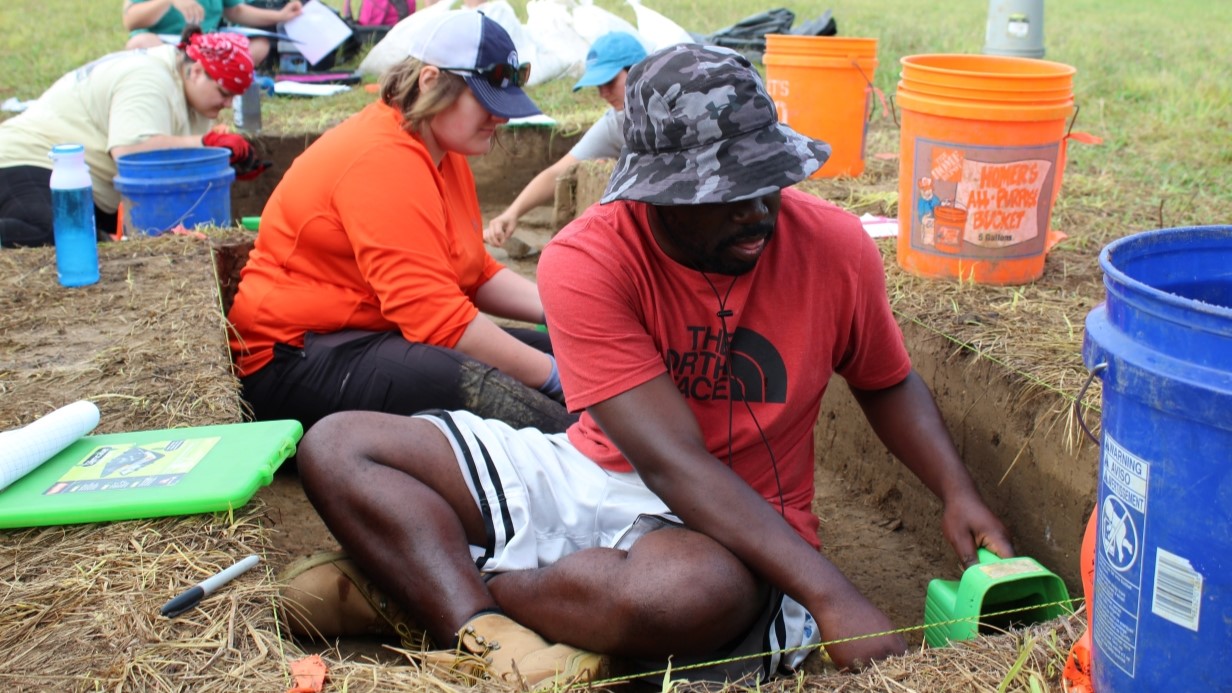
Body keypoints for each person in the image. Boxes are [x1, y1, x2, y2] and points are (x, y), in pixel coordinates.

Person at [282, 44, 1015, 688]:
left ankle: (430, 585)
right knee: (340, 444)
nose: (757, 211)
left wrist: (955, 490)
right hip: (597, 472)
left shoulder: (833, 246)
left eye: (769, 181)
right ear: (656, 192)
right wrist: (834, 596)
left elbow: (885, 378)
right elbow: (669, 462)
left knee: (691, 595)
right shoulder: (588, 257)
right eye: (725, 196)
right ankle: (481, 628)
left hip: (734, 522)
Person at [226, 10, 573, 436]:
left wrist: (563, 311)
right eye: (484, 101)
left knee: (569, 348)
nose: (500, 118)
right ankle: (592, 450)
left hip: (370, 335)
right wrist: (553, 379)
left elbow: (473, 271)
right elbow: (435, 317)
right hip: (289, 357)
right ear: (430, 82)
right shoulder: (382, 157)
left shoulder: (444, 151)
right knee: (474, 381)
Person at [0, 28, 262, 248]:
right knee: (47, 234)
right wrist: (207, 143)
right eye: (223, 92)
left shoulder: (191, 92)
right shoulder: (147, 78)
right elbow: (131, 152)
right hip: (27, 161)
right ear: (196, 71)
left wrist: (219, 163)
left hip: (81, 184)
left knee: (83, 243)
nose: (228, 104)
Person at [484, 31, 646, 254]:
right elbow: (559, 171)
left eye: (609, 81)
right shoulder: (617, 121)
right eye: (598, 85)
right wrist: (511, 213)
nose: (603, 93)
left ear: (638, 70)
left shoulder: (681, 105)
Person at [123, 0, 303, 66]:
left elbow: (235, 11)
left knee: (259, 45)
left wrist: (280, 15)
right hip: (164, 45)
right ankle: (196, 75)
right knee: (138, 44)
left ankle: (204, 75)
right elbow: (131, 20)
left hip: (207, 45)